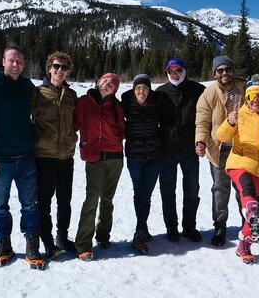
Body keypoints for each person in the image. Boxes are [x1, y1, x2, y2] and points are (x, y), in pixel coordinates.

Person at [0, 44, 46, 270]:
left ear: (24, 64)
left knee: (29, 205)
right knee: (1, 206)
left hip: (26, 157)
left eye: (19, 61)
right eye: (11, 60)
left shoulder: (26, 86)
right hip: (0, 161)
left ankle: (31, 247)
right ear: (3, 61)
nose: (15, 65)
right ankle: (4, 246)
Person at [215, 75, 259, 264]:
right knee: (250, 198)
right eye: (253, 95)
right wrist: (229, 122)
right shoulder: (238, 114)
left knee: (257, 212)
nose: (257, 100)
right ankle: (252, 210)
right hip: (240, 163)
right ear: (247, 98)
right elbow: (221, 136)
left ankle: (244, 246)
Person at [74, 72, 125, 261]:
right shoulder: (83, 102)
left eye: (113, 82)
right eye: (105, 79)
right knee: (91, 199)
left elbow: (124, 129)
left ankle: (103, 236)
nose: (108, 83)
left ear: (115, 89)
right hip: (94, 158)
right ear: (97, 81)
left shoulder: (117, 106)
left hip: (116, 158)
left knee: (107, 199)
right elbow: (72, 124)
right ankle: (83, 245)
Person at [32, 52, 77, 259]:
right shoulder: (37, 93)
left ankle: (62, 237)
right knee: (44, 202)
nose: (60, 71)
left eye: (64, 68)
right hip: (45, 156)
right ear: (49, 67)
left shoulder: (71, 95)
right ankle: (48, 242)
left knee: (65, 201)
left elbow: (76, 122)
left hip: (66, 157)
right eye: (57, 66)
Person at [195, 55, 244, 246]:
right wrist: (200, 141)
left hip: (241, 148)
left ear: (232, 71)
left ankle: (248, 223)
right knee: (220, 188)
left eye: (227, 69)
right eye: (220, 70)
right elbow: (202, 121)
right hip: (219, 148)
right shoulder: (208, 93)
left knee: (243, 188)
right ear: (215, 73)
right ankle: (220, 225)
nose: (224, 73)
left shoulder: (243, 88)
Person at [156, 58, 205, 242]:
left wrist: (203, 140)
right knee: (168, 190)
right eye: (171, 71)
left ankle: (189, 227)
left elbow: (206, 117)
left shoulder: (198, 90)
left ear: (184, 70)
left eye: (178, 70)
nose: (174, 74)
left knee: (192, 189)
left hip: (189, 149)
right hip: (166, 150)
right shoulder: (160, 92)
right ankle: (171, 227)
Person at [121, 74, 163, 254]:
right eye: (138, 88)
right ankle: (141, 230)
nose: (141, 92)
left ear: (149, 90)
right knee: (140, 193)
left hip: (154, 156)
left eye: (145, 88)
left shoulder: (157, 104)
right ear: (133, 89)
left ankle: (142, 229)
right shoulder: (126, 103)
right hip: (134, 157)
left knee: (145, 194)